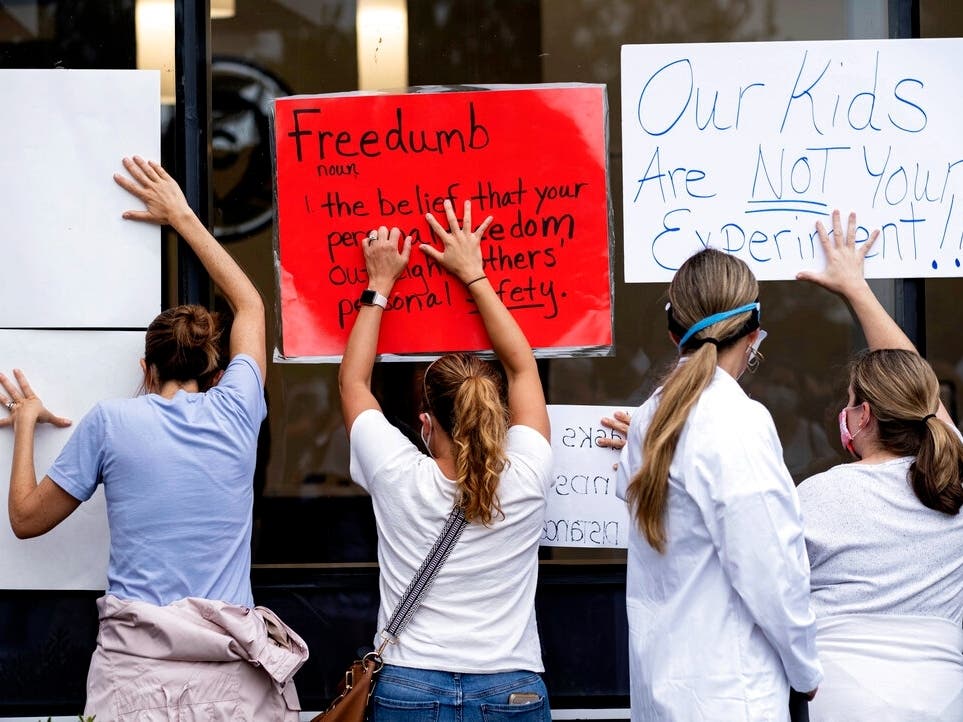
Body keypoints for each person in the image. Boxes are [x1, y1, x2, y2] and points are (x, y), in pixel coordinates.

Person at [1, 156, 306, 719]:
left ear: (147, 368)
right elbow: (250, 304)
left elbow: (25, 519)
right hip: (233, 683)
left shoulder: (111, 422)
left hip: (133, 681)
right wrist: (182, 215)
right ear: (214, 371)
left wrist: (25, 420)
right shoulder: (237, 407)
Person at [339, 199, 553, 721]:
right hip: (511, 688)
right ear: (496, 417)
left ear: (425, 422)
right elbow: (523, 369)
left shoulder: (396, 474)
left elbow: (353, 382)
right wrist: (473, 274)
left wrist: (381, 283)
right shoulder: (526, 475)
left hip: (409, 686)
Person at [608, 247, 822, 721]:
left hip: (664, 694)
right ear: (753, 333)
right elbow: (770, 565)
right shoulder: (736, 420)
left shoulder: (649, 419)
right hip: (732, 694)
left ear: (671, 333)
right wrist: (806, 670)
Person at [795, 210, 963, 721]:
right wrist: (857, 289)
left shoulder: (818, 495)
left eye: (849, 401)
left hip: (841, 700)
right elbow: (920, 391)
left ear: (862, 415)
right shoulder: (952, 477)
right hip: (941, 697)